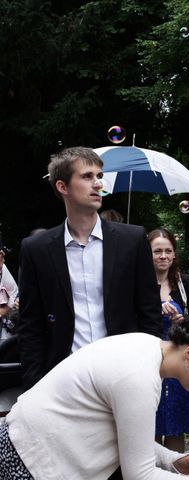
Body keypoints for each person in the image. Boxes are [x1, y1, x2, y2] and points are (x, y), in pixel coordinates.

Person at [1, 311, 189, 479]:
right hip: (29, 460)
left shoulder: (146, 346)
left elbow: (129, 435)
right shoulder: (139, 378)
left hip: (24, 444)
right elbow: (140, 475)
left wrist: (173, 460)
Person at [18, 147, 162, 389]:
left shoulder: (132, 239)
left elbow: (150, 312)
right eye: (86, 177)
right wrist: (36, 383)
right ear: (63, 187)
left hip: (124, 374)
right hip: (62, 377)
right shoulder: (37, 249)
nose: (98, 184)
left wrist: (149, 371)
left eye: (99, 176)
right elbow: (30, 323)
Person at [148, 228, 189, 453]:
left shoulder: (183, 282)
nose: (163, 256)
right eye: (157, 251)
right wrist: (155, 311)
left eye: (168, 251)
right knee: (151, 425)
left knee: (175, 428)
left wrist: (183, 320)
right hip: (151, 360)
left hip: (179, 361)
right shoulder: (139, 284)